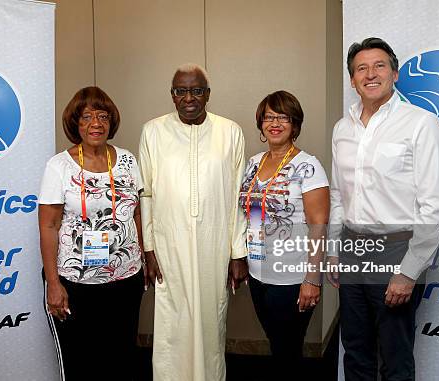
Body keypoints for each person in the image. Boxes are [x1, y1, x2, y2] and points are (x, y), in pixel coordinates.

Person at [327, 38, 439, 380]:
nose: (370, 74)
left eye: (379, 65)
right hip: (352, 248)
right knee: (355, 350)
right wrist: (335, 252)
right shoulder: (342, 129)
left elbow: (434, 207)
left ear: (394, 73)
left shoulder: (420, 123)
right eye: (361, 68)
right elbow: (339, 195)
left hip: (397, 250)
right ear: (352, 80)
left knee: (395, 357)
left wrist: (408, 271)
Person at [139, 63, 247, 381]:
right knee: (172, 322)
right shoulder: (153, 131)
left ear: (207, 94)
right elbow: (145, 194)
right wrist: (148, 248)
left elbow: (238, 195)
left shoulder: (230, 132)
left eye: (197, 90)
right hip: (168, 244)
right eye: (181, 91)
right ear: (172, 95)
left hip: (215, 246)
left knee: (211, 321)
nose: (189, 97)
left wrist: (237, 251)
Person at [38, 86, 146, 380]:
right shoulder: (59, 166)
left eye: (102, 116)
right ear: (75, 123)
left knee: (121, 356)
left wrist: (144, 259)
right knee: (83, 361)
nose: (95, 123)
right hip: (76, 283)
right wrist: (53, 283)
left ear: (111, 122)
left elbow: (136, 212)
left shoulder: (127, 160)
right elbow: (48, 226)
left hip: (125, 278)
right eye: (86, 117)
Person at [240, 91, 329, 377]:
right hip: (258, 274)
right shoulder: (252, 164)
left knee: (288, 351)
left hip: (292, 278)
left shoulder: (308, 165)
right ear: (261, 123)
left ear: (294, 124)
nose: (275, 123)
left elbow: (319, 223)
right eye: (269, 117)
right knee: (276, 345)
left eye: (283, 117)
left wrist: (312, 280)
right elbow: (250, 215)